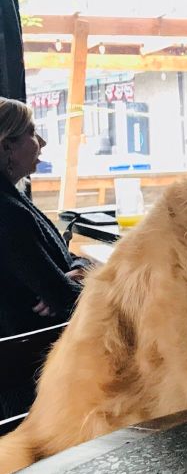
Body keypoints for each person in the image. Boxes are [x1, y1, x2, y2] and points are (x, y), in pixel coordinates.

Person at [0, 98, 90, 337]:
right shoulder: (7, 213)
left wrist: (80, 272)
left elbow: (67, 260)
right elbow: (67, 300)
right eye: (32, 132)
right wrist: (70, 286)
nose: (42, 142)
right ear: (7, 146)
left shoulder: (14, 199)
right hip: (32, 354)